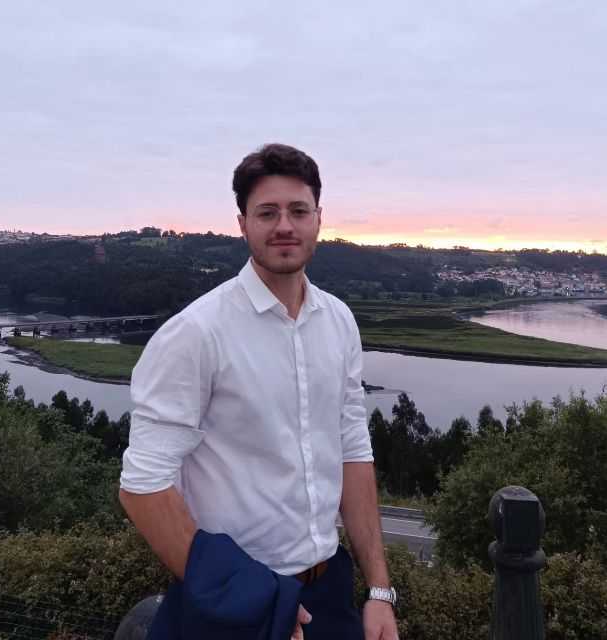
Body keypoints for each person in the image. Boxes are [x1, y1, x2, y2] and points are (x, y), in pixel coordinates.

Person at [119, 143, 399, 640]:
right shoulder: (197, 333)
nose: (284, 226)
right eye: (267, 213)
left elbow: (353, 450)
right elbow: (143, 486)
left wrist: (378, 590)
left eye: (298, 211)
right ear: (243, 224)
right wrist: (247, 600)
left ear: (319, 219)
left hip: (331, 589)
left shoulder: (338, 321)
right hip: (233, 604)